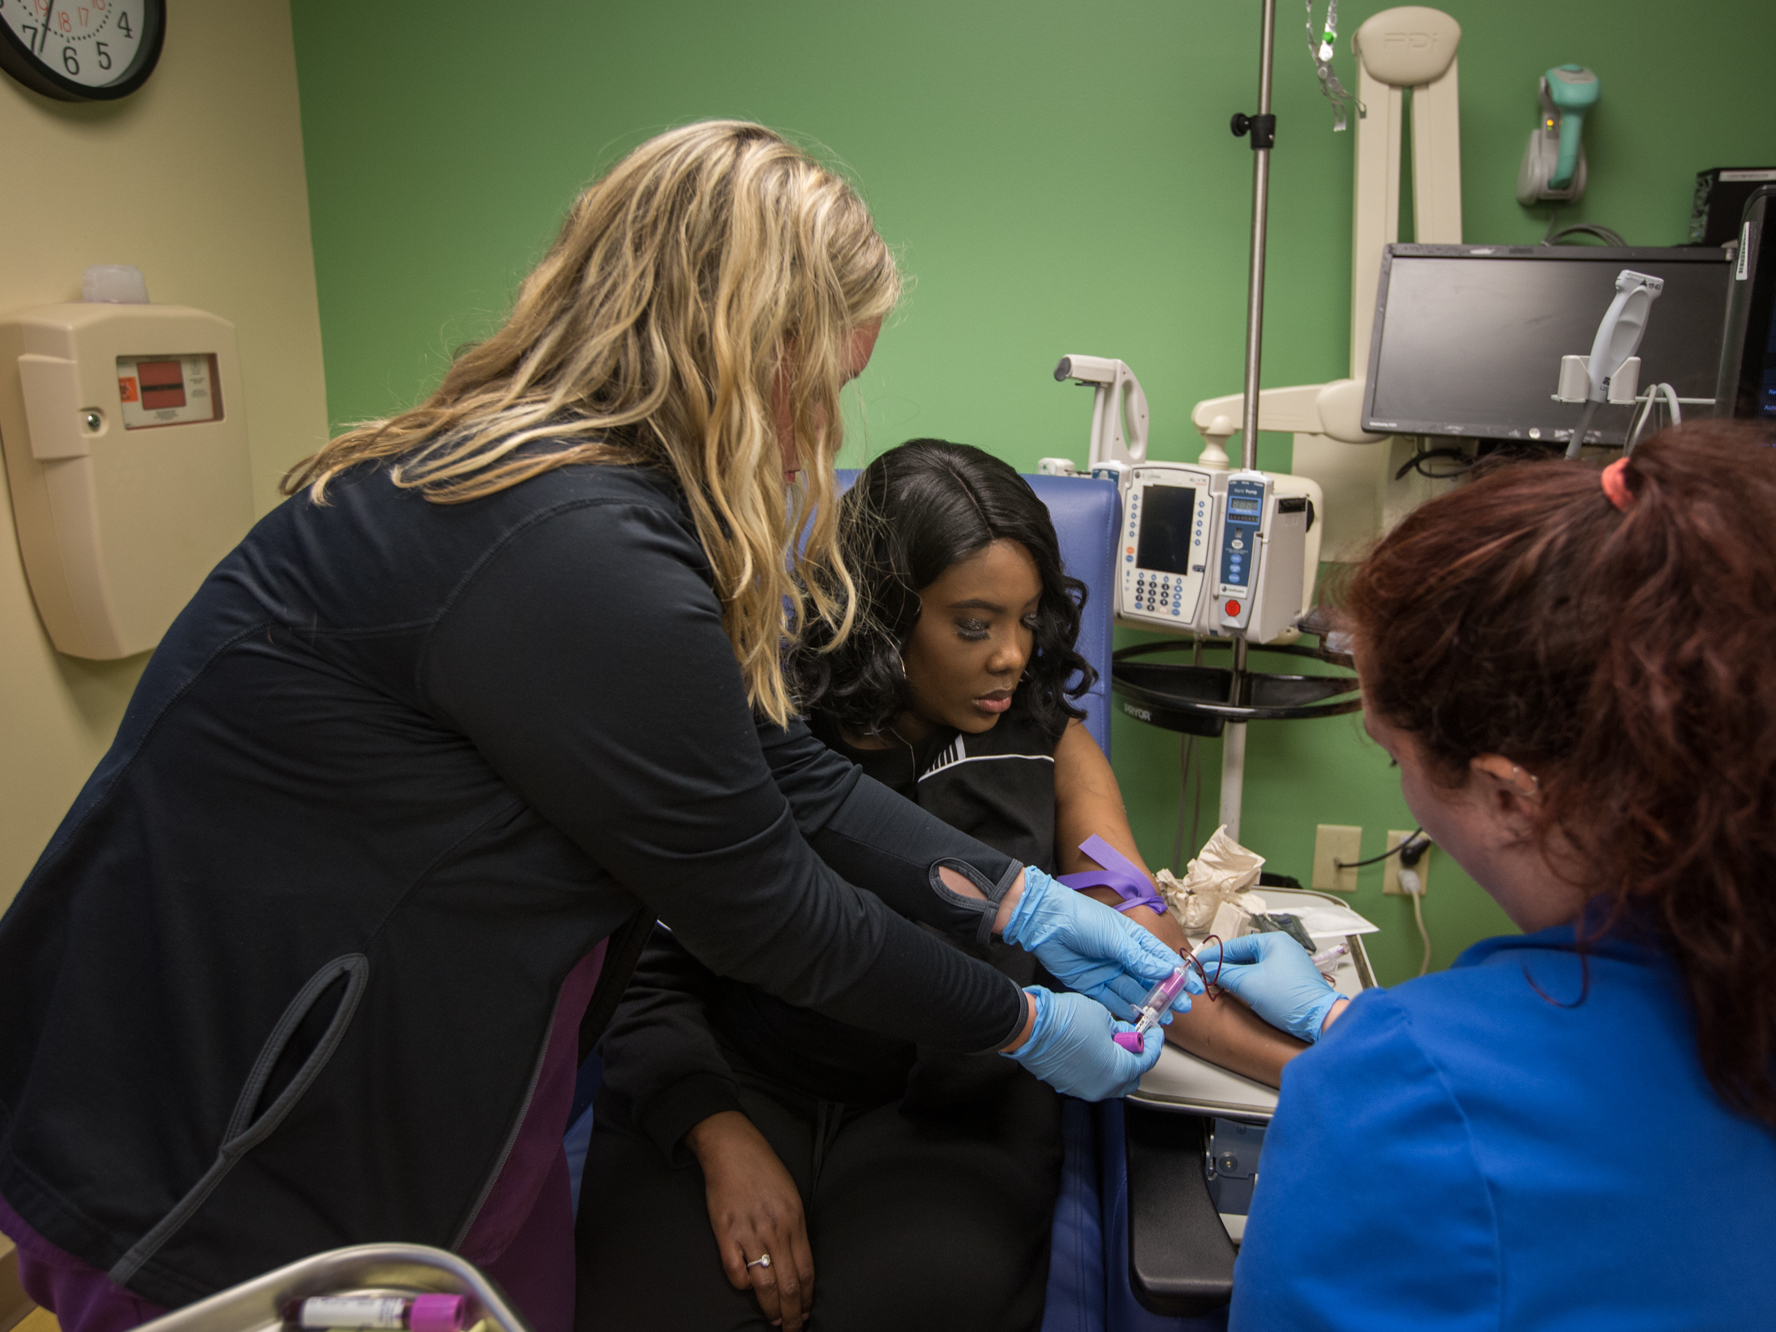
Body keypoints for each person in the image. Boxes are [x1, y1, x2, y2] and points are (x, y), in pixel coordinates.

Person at [0, 124, 1184, 1332]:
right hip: (229, 1131)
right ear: (745, 350)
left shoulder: (573, 498)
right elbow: (768, 907)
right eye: (821, 388)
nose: (815, 431)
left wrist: (1018, 902)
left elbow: (775, 766)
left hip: (436, 1089)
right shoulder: (569, 544)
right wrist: (1023, 1020)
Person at [578, 441, 1303, 1332]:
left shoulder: (1048, 739)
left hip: (954, 1100)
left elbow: (1137, 941)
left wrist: (1329, 1055)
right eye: (973, 624)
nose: (1011, 656)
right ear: (884, 614)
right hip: (740, 1073)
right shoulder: (759, 728)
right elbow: (645, 964)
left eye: (1028, 619)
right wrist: (716, 1131)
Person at [1200, 422, 1776, 1329]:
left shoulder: (1403, 1096)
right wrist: (1335, 1020)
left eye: (1397, 759)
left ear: (1513, 797)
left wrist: (1372, 1062)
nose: (1404, 788)